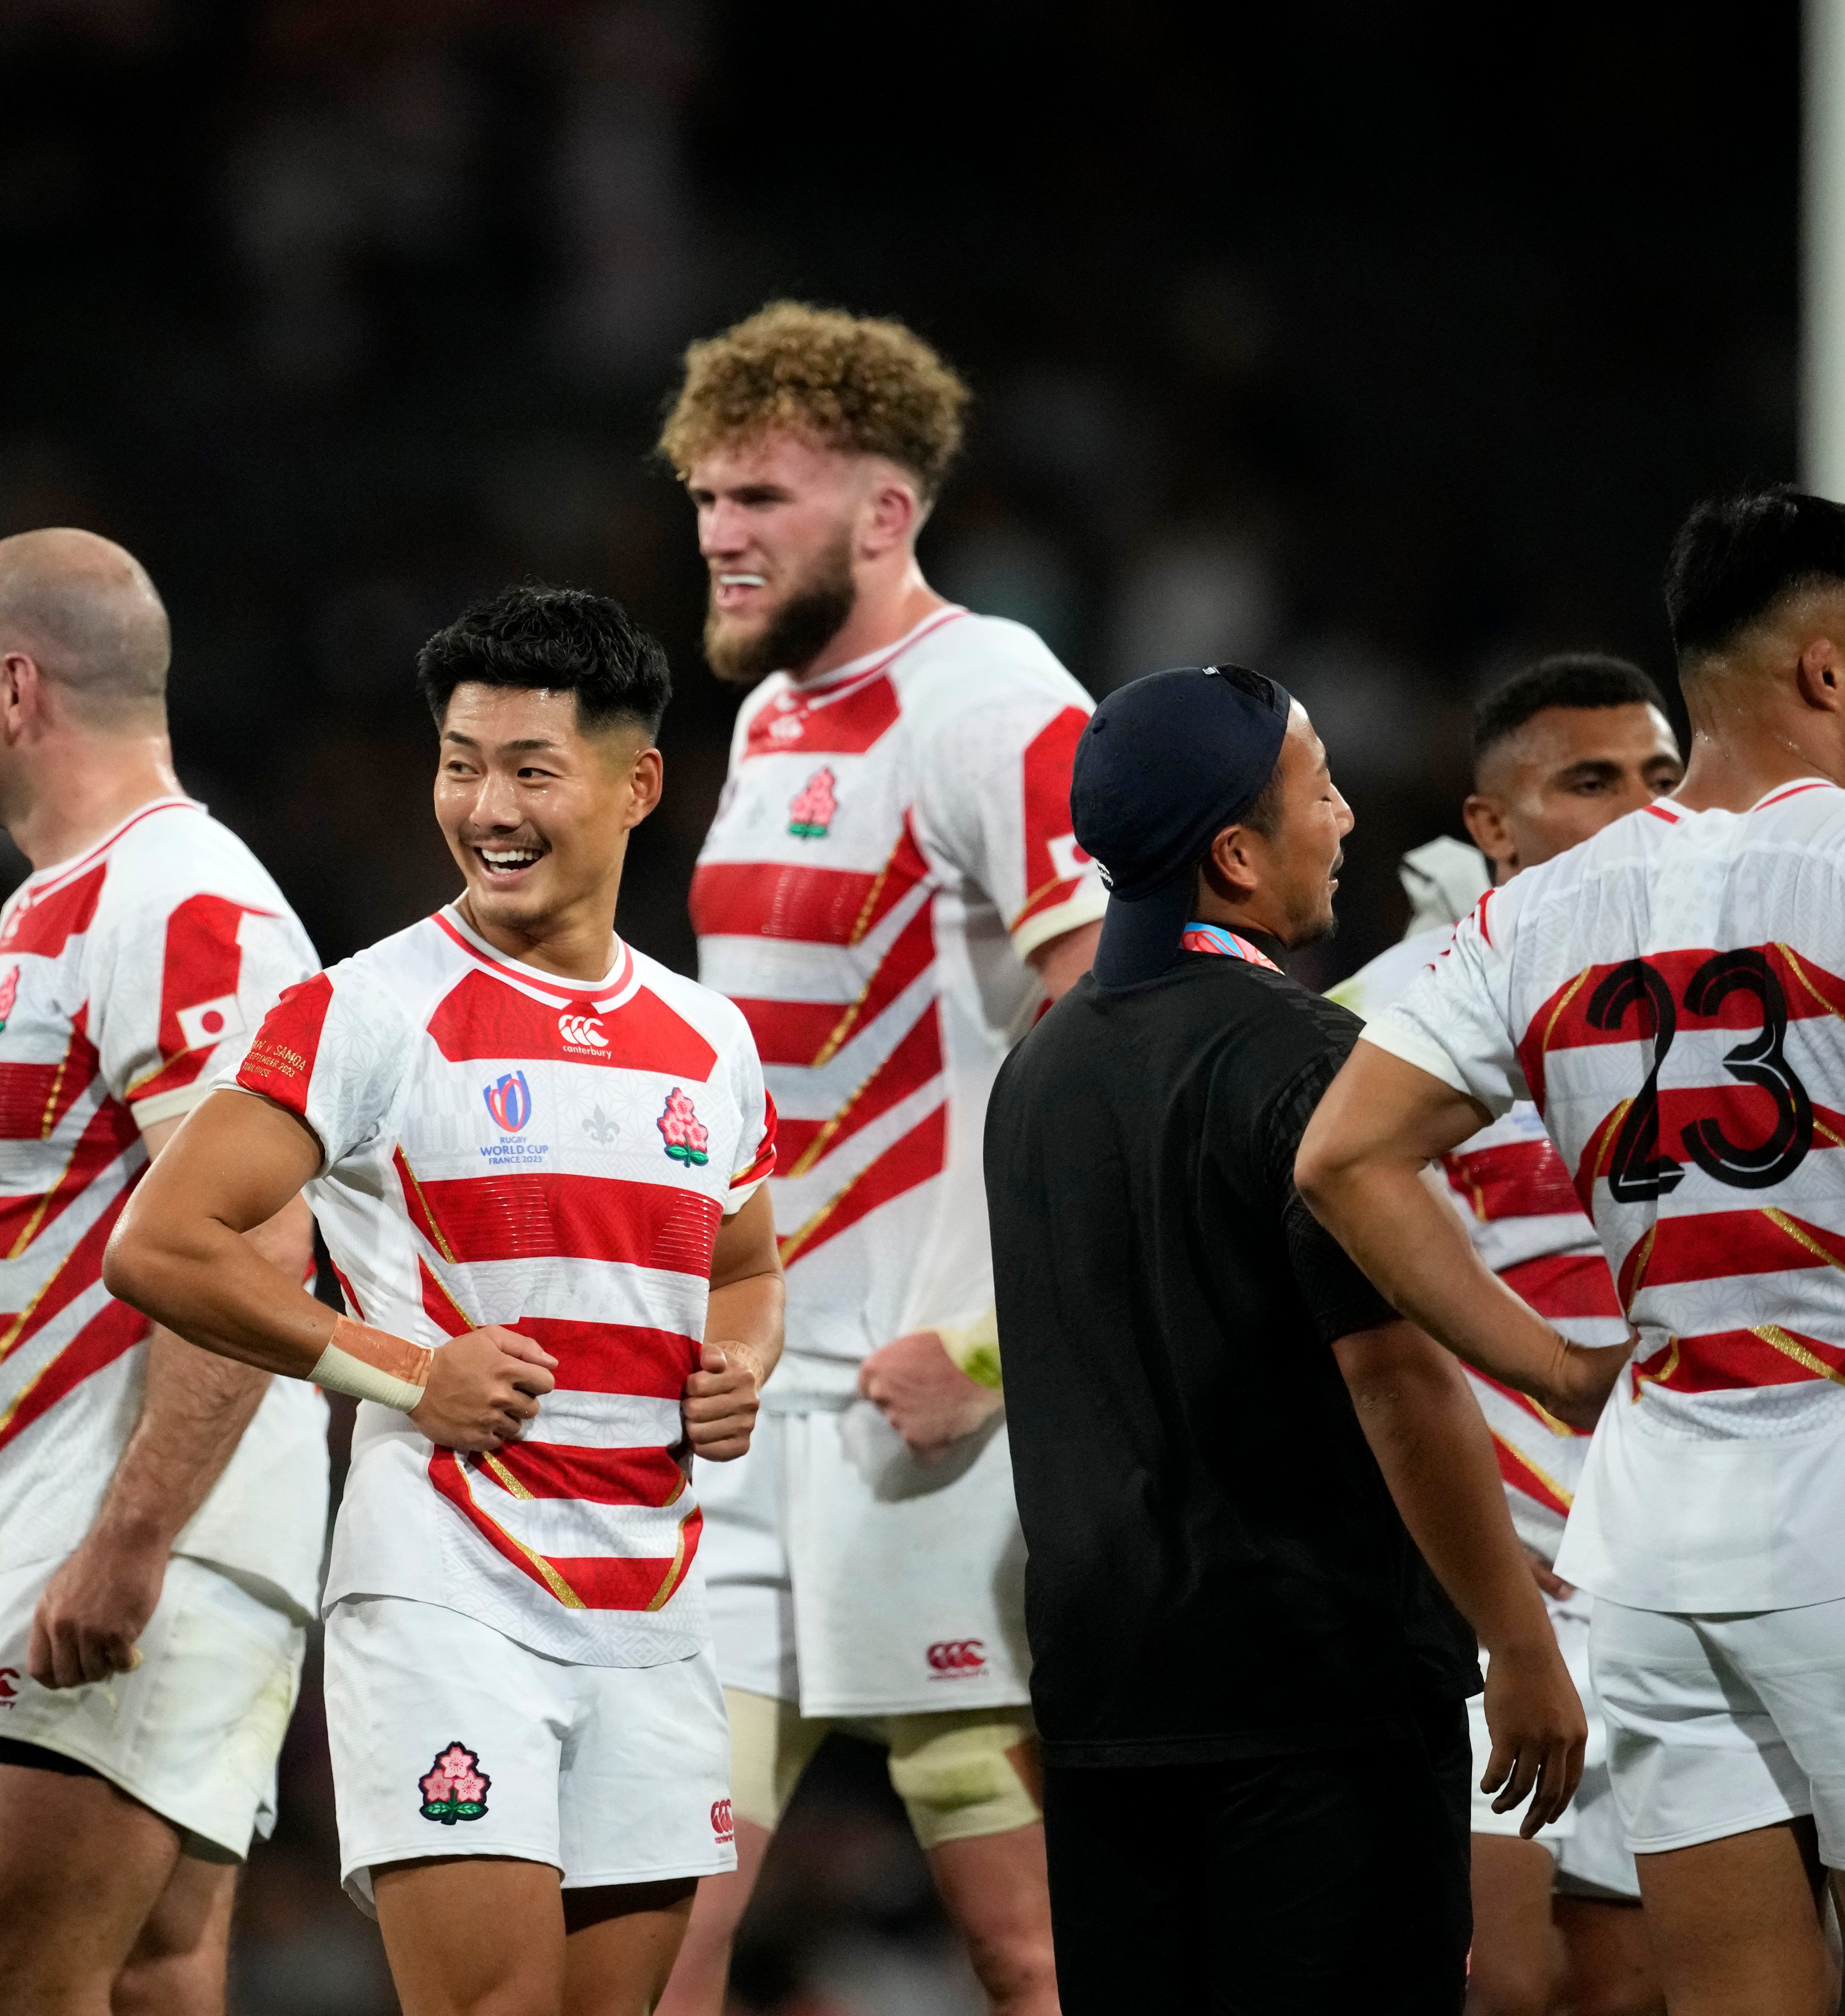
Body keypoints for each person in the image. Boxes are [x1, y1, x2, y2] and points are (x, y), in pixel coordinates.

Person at [1299, 487, 1845, 2016]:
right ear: (1823, 672)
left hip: (1651, 1541)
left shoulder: (1534, 907)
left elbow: (1341, 1153)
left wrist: (1549, 1367)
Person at [104, 585, 785, 2016]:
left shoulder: (707, 1036)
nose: (486, 803)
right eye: (460, 762)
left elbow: (743, 1263)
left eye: (529, 767)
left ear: (633, 782)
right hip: (446, 1590)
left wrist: (738, 1359)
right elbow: (163, 1242)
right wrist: (404, 1370)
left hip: (652, 1599)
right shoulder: (366, 1007)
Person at [988, 661, 1583, 2012]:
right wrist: (1513, 1637)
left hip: (1105, 1712)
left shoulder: (1036, 1067)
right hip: (1314, 1709)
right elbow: (1392, 1377)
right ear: (1235, 853)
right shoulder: (1309, 1060)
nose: (1348, 817)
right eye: (1317, 788)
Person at [656, 301, 1096, 2016]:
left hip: (919, 1413)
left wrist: (990, 1344)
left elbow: (1110, 1023)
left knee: (1021, 1940)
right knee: (663, 1919)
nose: (716, 532)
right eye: (703, 495)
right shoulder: (771, 722)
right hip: (747, 1403)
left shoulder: (994, 698)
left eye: (760, 495)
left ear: (884, 511)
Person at [0, 529, 327, 2016]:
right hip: (69, 1515)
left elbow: (257, 1236)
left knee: (5, 1981)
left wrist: (133, 1535)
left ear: (13, 685)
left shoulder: (181, 900)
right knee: (144, 1981)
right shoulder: (58, 904)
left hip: (139, 1533)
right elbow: (47, 1247)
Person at [1333, 655, 1683, 2016]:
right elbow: (1362, 1327)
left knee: (1633, 1987)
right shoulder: (1387, 1015)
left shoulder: (1731, 983)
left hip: (1671, 1567)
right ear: (1489, 822)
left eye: (1659, 774)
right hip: (1497, 1585)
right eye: (1588, 780)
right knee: (1502, 1982)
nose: (1640, 807)